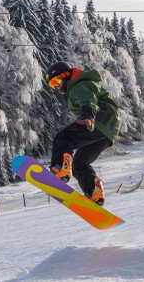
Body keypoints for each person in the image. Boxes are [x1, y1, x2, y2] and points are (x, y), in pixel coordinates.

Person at [44, 61, 120, 206]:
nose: (57, 86)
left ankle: (60, 168)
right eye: (52, 85)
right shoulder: (77, 86)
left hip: (100, 121)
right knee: (79, 163)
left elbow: (88, 100)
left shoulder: (78, 85)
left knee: (63, 138)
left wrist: (88, 116)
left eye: (56, 81)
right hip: (108, 133)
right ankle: (94, 192)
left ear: (65, 75)